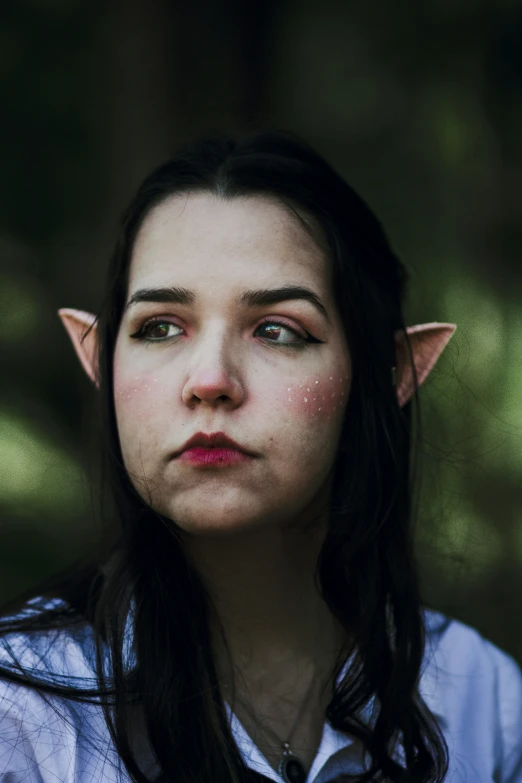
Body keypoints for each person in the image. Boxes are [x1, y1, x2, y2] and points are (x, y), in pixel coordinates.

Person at [0, 130, 520, 783]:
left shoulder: (483, 705)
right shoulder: (20, 718)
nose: (210, 378)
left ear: (390, 372)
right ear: (100, 358)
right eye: (159, 327)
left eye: (278, 330)